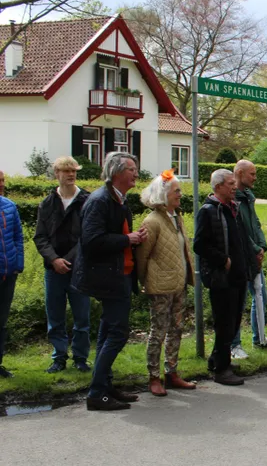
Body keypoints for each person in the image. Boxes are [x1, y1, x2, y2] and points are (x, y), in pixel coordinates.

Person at [73, 152, 146, 410]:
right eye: (131, 169)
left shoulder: (118, 199)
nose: (136, 173)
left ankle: (104, 386)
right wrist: (128, 239)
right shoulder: (100, 200)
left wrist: (133, 237)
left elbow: (115, 234)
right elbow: (91, 241)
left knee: (108, 332)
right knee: (117, 333)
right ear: (116, 173)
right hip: (109, 278)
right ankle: (96, 393)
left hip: (119, 275)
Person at [135, 171, 197, 397]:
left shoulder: (176, 218)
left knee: (177, 329)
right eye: (176, 191)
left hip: (179, 284)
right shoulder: (152, 221)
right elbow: (142, 257)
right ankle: (154, 377)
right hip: (160, 286)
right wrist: (146, 281)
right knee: (158, 332)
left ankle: (172, 372)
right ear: (164, 195)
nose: (180, 194)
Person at [193, 169, 257, 386]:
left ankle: (218, 360)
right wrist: (223, 260)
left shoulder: (233, 208)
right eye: (230, 183)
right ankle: (221, 370)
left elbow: (241, 239)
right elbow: (199, 244)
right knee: (224, 323)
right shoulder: (209, 211)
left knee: (233, 322)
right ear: (218, 186)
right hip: (222, 278)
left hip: (238, 276)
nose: (234, 187)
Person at [34, 156, 91, 374]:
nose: (71, 175)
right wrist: (54, 259)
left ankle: (80, 358)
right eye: (66, 171)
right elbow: (40, 237)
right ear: (56, 174)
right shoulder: (47, 203)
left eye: (74, 171)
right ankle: (59, 358)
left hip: (79, 269)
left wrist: (69, 259)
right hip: (53, 270)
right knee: (55, 316)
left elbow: (88, 235)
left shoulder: (87, 200)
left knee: (82, 317)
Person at [230, 160, 267, 360]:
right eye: (252, 174)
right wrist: (255, 249)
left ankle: (259, 338)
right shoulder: (233, 198)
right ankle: (234, 345)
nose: (255, 178)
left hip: (253, 256)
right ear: (240, 173)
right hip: (240, 257)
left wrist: (262, 246)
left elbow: (255, 224)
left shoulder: (248, 197)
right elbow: (239, 229)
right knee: (237, 302)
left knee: (261, 296)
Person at [0, 174, 23, 379]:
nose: (1, 184)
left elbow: (18, 237)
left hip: (8, 274)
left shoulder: (9, 206)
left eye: (2, 180)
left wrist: (17, 265)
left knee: (1, 322)